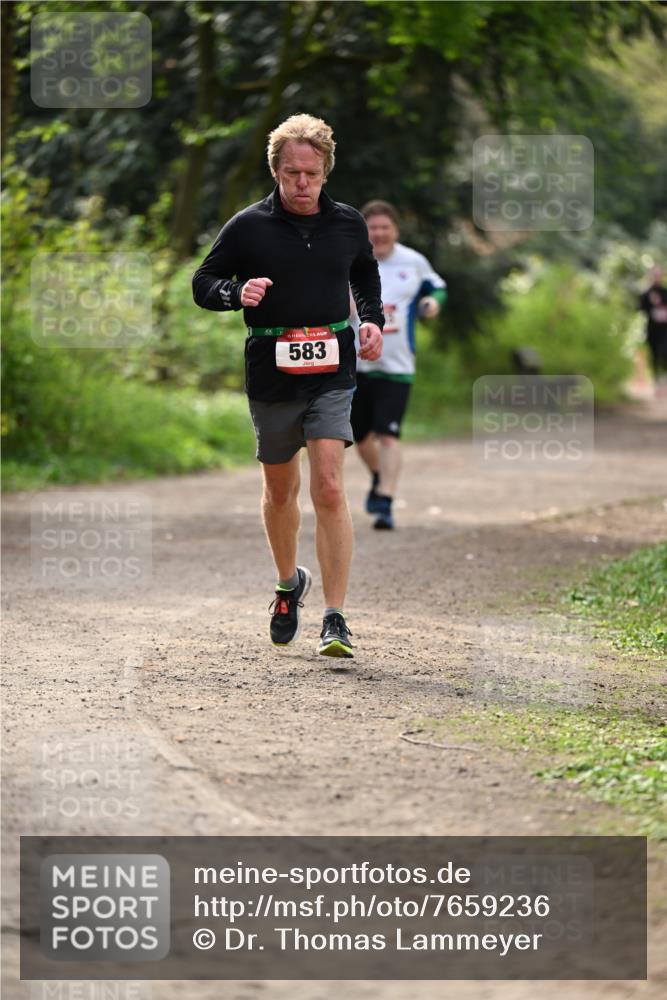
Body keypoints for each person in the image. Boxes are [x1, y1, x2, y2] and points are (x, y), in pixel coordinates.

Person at [192, 115, 383, 658]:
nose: (302, 183)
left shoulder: (347, 223)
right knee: (280, 492)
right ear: (276, 171)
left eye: (312, 174)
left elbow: (364, 273)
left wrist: (371, 320)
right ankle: (287, 584)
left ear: (325, 172)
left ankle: (336, 617)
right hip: (271, 371)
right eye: (292, 173)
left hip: (332, 369)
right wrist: (237, 292)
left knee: (327, 485)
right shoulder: (248, 226)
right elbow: (202, 283)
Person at [350, 200, 446, 529]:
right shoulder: (350, 258)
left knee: (388, 435)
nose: (378, 234)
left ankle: (386, 501)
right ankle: (379, 476)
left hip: (397, 364)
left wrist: (432, 303)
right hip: (355, 363)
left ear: (395, 231)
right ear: (364, 231)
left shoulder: (412, 261)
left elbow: (437, 287)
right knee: (359, 437)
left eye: (384, 228)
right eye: (372, 228)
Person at [638, 265, 667, 383]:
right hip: (652, 328)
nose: (657, 277)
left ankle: (664, 375)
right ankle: (656, 378)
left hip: (665, 329)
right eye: (655, 275)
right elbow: (640, 308)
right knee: (654, 353)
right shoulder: (646, 294)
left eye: (659, 275)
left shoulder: (665, 292)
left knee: (665, 351)